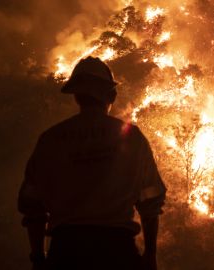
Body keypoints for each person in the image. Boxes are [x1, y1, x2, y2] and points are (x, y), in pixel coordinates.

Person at [18, 57, 166, 270]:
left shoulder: (50, 140)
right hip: (117, 252)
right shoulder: (131, 137)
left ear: (76, 96)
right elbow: (150, 200)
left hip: (66, 253)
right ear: (111, 95)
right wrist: (150, 255)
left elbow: (32, 206)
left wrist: (39, 258)